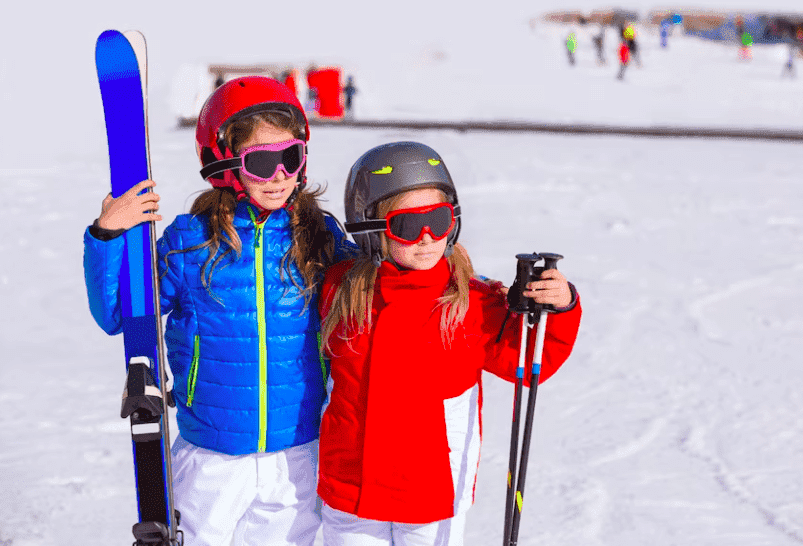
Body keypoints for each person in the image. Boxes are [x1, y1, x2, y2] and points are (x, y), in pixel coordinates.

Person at [83, 76, 356, 546]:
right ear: (223, 164)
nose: (280, 176)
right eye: (262, 162)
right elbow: (119, 315)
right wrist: (109, 236)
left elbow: (371, 295)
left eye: (290, 158)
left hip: (298, 452)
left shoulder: (319, 236)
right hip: (210, 454)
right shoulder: (191, 242)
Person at [316, 141, 582, 545]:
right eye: (407, 226)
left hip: (431, 493)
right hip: (351, 488)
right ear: (371, 230)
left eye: (437, 221)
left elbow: (529, 361)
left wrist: (557, 308)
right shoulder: (342, 290)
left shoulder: (469, 301)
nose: (426, 238)